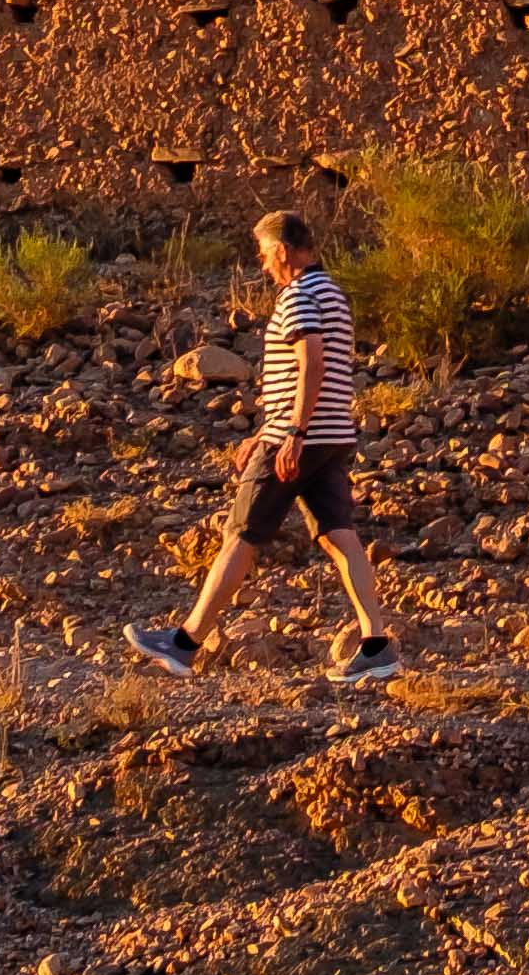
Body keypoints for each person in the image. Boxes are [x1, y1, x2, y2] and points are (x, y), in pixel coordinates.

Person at [127, 208, 403, 684]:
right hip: (333, 434)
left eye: (263, 254)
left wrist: (291, 432)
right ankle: (376, 646)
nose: (262, 265)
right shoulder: (332, 292)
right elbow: (313, 370)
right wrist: (270, 429)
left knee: (241, 533)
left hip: (299, 438)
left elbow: (311, 362)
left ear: (282, 250)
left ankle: (184, 645)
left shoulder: (299, 295)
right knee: (339, 535)